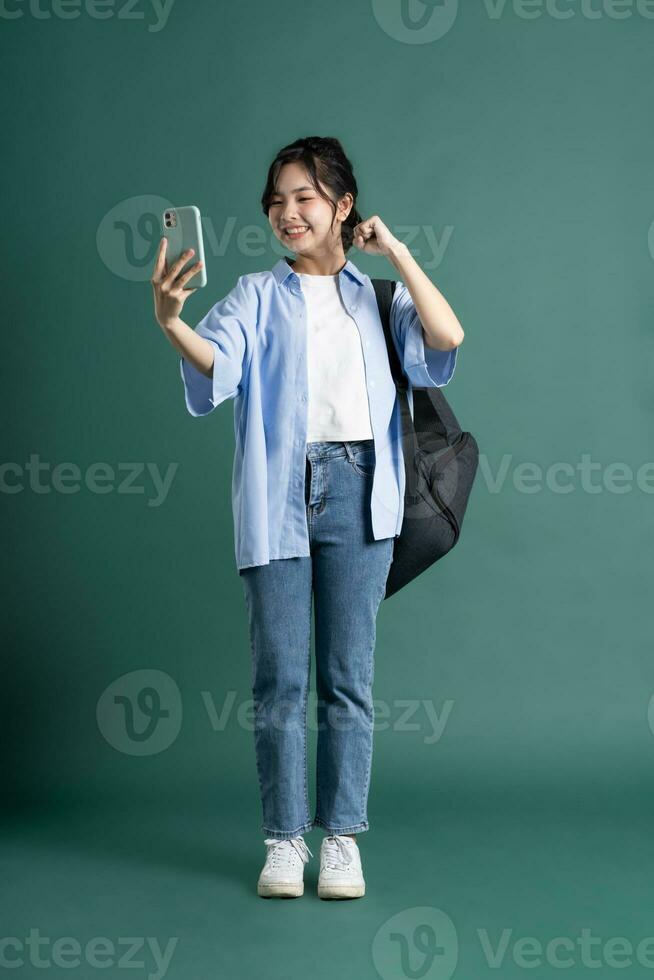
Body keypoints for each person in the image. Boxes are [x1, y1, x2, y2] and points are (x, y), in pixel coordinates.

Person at [151, 136, 464, 900]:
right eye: (277, 201)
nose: (287, 214)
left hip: (362, 493)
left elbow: (447, 336)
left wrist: (393, 252)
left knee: (348, 679)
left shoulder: (376, 299)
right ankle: (285, 840)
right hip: (277, 495)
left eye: (305, 199)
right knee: (280, 679)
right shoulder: (255, 296)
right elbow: (217, 368)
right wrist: (169, 320)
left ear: (342, 207)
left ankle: (343, 840)